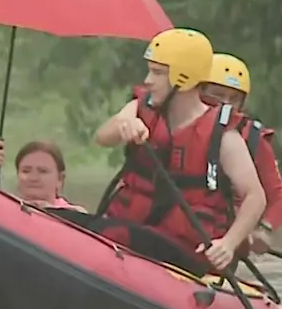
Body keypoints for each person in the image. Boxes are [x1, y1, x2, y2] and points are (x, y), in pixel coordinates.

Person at [94, 28, 268, 274]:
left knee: (114, 233)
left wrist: (228, 244)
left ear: (183, 77)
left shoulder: (223, 136)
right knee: (74, 221)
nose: (148, 80)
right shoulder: (140, 109)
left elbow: (255, 197)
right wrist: (125, 124)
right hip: (136, 230)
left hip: (184, 247)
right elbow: (102, 137)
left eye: (157, 73)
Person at [200, 53, 282, 252]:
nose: (225, 104)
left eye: (233, 99)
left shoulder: (254, 140)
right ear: (199, 90)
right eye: (216, 94)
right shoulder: (178, 122)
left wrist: (264, 229)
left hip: (222, 239)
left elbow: (277, 198)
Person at [13, 140, 87, 212]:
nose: (33, 178)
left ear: (60, 179)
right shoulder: (7, 210)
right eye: (26, 171)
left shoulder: (75, 215)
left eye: (43, 171)